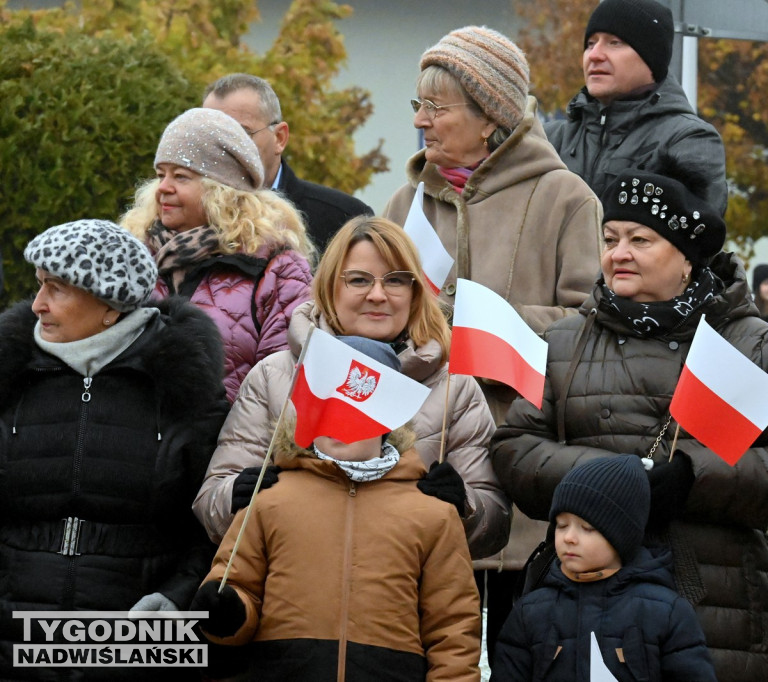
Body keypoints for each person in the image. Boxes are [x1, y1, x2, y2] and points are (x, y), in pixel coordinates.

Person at [492, 169, 768, 681]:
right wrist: (612, 483)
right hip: (582, 611)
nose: (618, 253)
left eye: (640, 239)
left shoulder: (749, 344)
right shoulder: (563, 343)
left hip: (721, 613)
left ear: (687, 256)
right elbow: (517, 449)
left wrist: (692, 478)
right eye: (610, 238)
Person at [381, 25, 602, 654]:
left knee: (520, 659)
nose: (421, 121)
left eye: (437, 107)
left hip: (523, 478)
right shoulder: (405, 203)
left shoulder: (566, 198)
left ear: (490, 117)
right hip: (420, 468)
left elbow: (592, 325)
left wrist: (488, 322)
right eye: (417, 106)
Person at [193, 216, 510, 564]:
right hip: (294, 586)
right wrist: (234, 496)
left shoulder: (455, 388)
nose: (377, 295)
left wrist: (464, 504)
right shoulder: (274, 376)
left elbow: (494, 528)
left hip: (403, 593)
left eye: (395, 281)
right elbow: (212, 507)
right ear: (331, 287)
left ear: (415, 291)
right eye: (359, 280)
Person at [0, 220, 227, 679]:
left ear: (111, 306)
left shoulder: (183, 388)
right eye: (39, 285)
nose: (38, 304)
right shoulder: (10, 376)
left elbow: (211, 525)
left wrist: (177, 598)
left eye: (56, 289)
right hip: (11, 643)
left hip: (132, 645)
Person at [192, 341, 481, 681]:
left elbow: (453, 626)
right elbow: (238, 587)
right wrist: (226, 612)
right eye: (325, 407)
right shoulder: (269, 499)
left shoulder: (432, 512)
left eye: (356, 410)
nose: (338, 422)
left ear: (387, 418)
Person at [121, 107, 315, 403]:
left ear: (223, 189)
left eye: (181, 176)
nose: (163, 188)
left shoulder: (277, 267)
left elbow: (280, 385)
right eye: (160, 174)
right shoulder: (133, 255)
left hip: (229, 443)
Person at [492, 456, 717, 681]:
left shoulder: (667, 613)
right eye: (561, 525)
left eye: (587, 528)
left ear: (622, 536)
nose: (569, 537)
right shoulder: (530, 612)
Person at [543, 0, 728, 217]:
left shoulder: (690, 140)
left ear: (651, 59)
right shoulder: (549, 139)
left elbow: (691, 240)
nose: (595, 55)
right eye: (591, 44)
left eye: (615, 42)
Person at [203, 73, 373, 253]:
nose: (224, 148)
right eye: (211, 137)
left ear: (279, 138)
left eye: (242, 134)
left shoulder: (344, 219)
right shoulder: (182, 217)